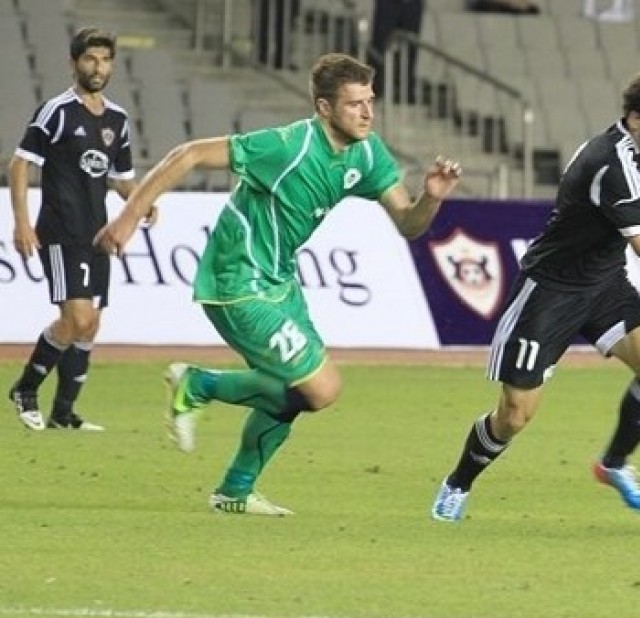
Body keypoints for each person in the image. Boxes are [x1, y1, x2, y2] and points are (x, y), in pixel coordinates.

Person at [93, 53, 463, 516]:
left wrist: (431, 197)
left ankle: (235, 490)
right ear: (324, 108)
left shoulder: (367, 153)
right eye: (355, 104)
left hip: (280, 281)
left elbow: (408, 224)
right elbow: (188, 155)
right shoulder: (288, 147)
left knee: (294, 392)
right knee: (321, 388)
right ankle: (197, 384)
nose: (368, 113)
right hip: (237, 278)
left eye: (370, 101)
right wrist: (128, 217)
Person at [429, 65, 640, 522]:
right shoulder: (611, 163)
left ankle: (613, 464)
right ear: (636, 119)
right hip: (551, 290)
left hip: (604, 283)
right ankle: (458, 483)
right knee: (514, 416)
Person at [8, 27, 158, 432]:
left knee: (91, 324)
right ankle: (25, 388)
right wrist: (22, 222)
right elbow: (20, 163)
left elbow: (121, 179)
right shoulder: (56, 111)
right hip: (60, 231)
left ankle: (63, 413)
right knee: (77, 317)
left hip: (97, 234)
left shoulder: (117, 119)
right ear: (74, 63)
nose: (98, 67)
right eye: (90, 59)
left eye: (105, 60)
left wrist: (141, 202)